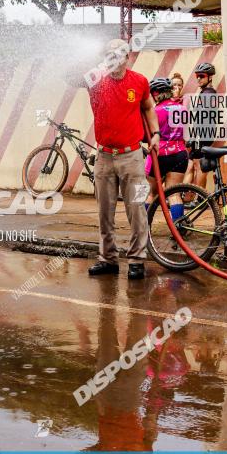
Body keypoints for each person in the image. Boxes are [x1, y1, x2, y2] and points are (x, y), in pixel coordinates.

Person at [75, 38, 160, 280]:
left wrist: (155, 134)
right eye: (109, 54)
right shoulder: (95, 80)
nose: (113, 58)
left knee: (137, 209)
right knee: (104, 211)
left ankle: (136, 259)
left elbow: (148, 107)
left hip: (133, 157)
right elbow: (71, 77)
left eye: (118, 54)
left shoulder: (139, 81)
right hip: (103, 157)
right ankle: (108, 259)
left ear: (127, 58)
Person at [144, 78, 188, 219]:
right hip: (180, 153)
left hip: (160, 154)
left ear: (156, 93)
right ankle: (178, 230)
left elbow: (147, 136)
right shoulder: (182, 109)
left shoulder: (155, 111)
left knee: (152, 193)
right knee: (174, 193)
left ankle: (144, 228)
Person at [183, 63, 218, 200]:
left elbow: (204, 117)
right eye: (197, 76)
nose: (198, 79)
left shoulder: (208, 93)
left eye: (202, 76)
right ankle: (188, 196)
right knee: (192, 165)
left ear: (210, 77)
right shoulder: (206, 92)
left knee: (199, 166)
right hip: (202, 134)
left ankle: (200, 198)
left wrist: (195, 137)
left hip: (203, 135)